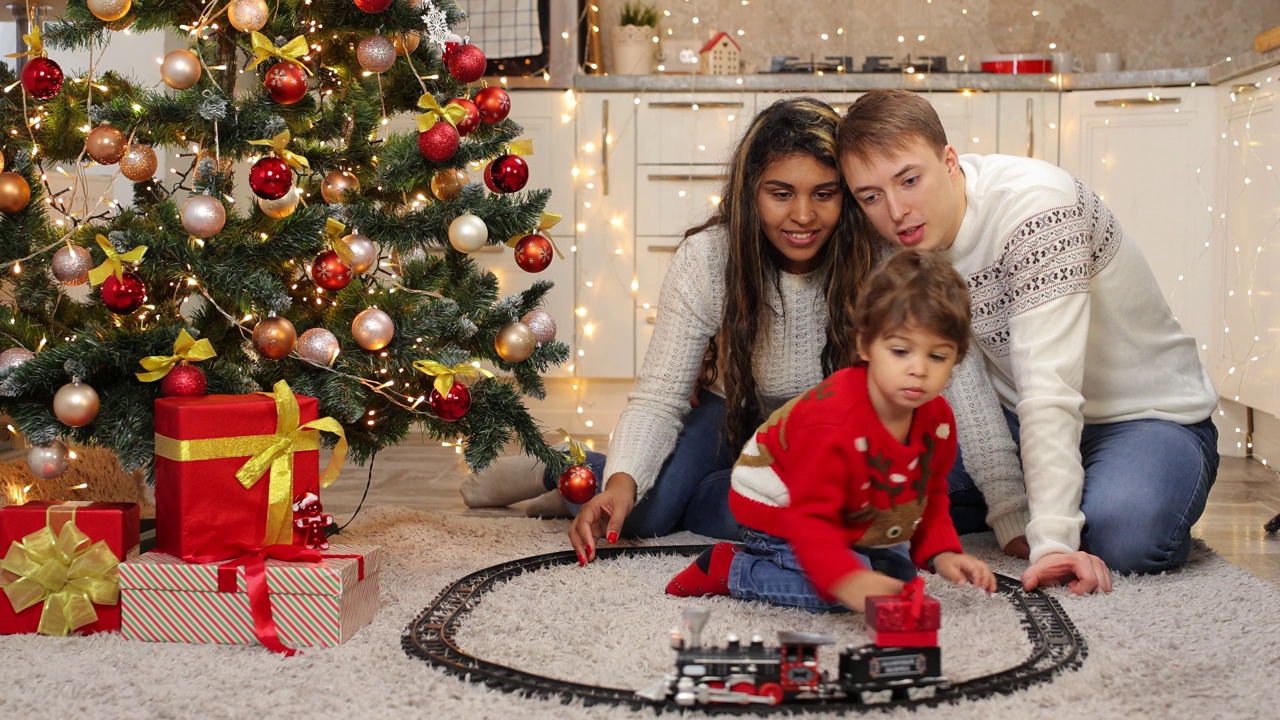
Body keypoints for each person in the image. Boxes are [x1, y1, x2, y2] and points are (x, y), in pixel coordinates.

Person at [460, 97, 880, 566]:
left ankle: (691, 492)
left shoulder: (874, 256)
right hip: (731, 410)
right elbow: (661, 395)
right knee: (644, 514)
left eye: (824, 194)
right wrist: (622, 482)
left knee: (856, 512)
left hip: (821, 427)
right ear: (750, 192)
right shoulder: (707, 258)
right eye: (781, 194)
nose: (803, 215)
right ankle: (563, 470)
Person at [836, 89, 1221, 595]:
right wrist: (1011, 511)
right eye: (871, 196)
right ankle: (1057, 495)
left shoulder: (1036, 208)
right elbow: (964, 385)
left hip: (1144, 417)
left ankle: (1092, 499)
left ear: (949, 162)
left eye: (910, 180)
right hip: (1014, 420)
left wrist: (1055, 545)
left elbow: (1049, 385)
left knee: (1127, 536)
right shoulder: (901, 244)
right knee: (870, 502)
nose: (897, 210)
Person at [665, 249, 996, 612]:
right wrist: (848, 580)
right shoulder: (835, 422)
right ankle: (734, 568)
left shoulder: (938, 421)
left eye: (937, 356)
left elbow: (928, 494)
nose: (919, 369)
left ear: (956, 359)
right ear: (865, 345)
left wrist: (943, 553)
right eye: (901, 351)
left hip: (850, 506)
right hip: (781, 504)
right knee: (840, 595)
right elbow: (812, 520)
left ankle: (859, 555)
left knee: (897, 583)